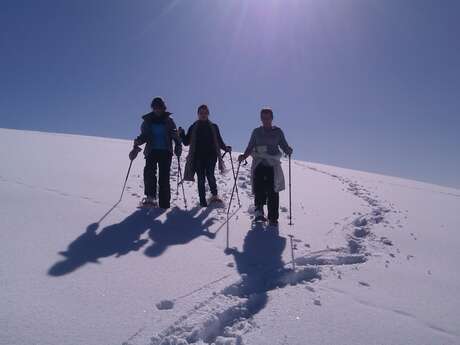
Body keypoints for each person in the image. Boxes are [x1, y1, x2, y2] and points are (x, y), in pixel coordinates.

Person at [238, 108, 292, 226]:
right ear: (261, 118)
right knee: (259, 188)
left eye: (268, 118)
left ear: (272, 118)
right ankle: (259, 212)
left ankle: (273, 218)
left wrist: (288, 150)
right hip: (259, 163)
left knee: (273, 190)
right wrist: (244, 156)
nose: (265, 120)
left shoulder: (278, 132)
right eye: (263, 118)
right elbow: (250, 146)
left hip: (272, 164)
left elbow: (283, 145)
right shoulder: (256, 132)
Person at [129, 97, 182, 208]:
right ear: (153, 108)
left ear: (163, 108)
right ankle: (150, 198)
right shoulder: (147, 121)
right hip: (151, 151)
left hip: (165, 152)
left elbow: (174, 134)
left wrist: (178, 144)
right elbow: (144, 135)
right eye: (155, 107)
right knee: (149, 173)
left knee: (164, 177)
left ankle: (164, 204)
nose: (157, 109)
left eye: (159, 107)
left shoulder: (169, 120)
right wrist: (139, 141)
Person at [179, 104, 231, 207]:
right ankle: (202, 201)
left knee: (210, 175)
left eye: (205, 113)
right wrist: (182, 134)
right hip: (197, 157)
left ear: (208, 114)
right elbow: (186, 142)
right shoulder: (193, 127)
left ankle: (214, 196)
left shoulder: (214, 127)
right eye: (201, 113)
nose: (203, 115)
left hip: (211, 156)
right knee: (201, 178)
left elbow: (219, 141)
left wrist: (226, 148)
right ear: (198, 114)